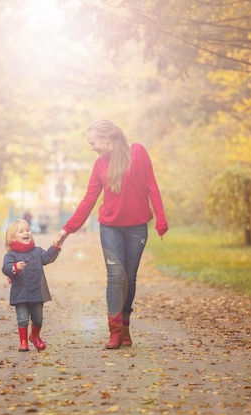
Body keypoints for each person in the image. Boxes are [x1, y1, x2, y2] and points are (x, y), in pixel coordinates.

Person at [55, 119, 168, 349]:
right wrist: (67, 229)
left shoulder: (138, 152)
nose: (91, 147)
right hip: (110, 226)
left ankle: (125, 323)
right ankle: (115, 331)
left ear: (107, 139)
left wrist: (161, 219)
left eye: (93, 142)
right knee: (116, 276)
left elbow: (151, 186)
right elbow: (89, 199)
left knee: (130, 277)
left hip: (136, 227)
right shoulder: (99, 165)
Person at [2, 219, 61, 351]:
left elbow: (47, 258)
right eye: (21, 231)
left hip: (37, 291)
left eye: (27, 230)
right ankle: (23, 342)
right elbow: (5, 268)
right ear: (12, 237)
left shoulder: (37, 251)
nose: (26, 233)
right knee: (22, 318)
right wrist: (14, 267)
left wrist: (55, 247)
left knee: (38, 318)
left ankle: (35, 336)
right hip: (20, 291)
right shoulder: (11, 255)